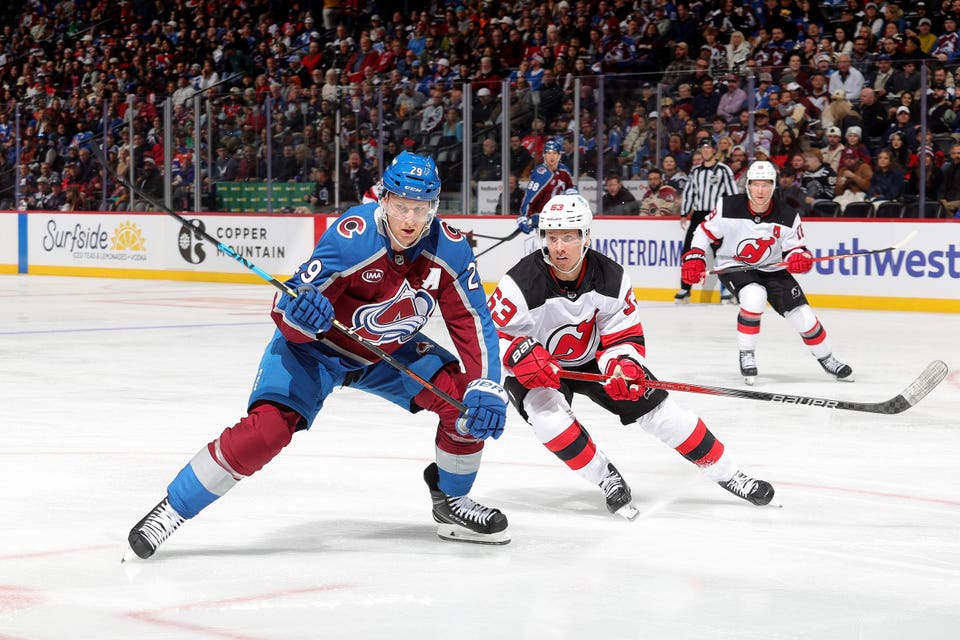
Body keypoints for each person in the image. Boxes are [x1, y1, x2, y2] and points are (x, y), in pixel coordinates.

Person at [124, 153, 511, 560]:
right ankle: (171, 510)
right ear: (384, 199)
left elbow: (473, 320)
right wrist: (302, 313)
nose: (410, 220)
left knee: (466, 400)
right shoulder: (351, 237)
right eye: (401, 206)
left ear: (434, 207)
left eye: (420, 208)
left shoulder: (450, 250)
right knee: (266, 432)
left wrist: (487, 386)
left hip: (383, 353)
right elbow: (287, 308)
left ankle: (451, 502)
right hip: (315, 352)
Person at [488, 194, 775, 519]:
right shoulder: (521, 281)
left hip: (595, 357)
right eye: (552, 238)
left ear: (586, 237)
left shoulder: (611, 276)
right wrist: (516, 353)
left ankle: (729, 472)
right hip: (538, 366)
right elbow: (490, 335)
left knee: (664, 414)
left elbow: (622, 334)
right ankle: (605, 477)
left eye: (568, 237)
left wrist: (622, 363)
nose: (559, 247)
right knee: (548, 420)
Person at [680, 160, 854, 385]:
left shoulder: (788, 215)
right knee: (754, 297)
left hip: (772, 268)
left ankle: (827, 358)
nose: (760, 190)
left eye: (766, 184)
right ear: (748, 186)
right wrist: (695, 255)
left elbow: (795, 250)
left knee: (804, 318)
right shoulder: (728, 206)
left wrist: (799, 258)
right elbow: (703, 233)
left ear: (773, 186)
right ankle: (747, 353)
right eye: (755, 184)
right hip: (735, 265)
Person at [675, 138, 738, 304]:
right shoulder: (695, 171)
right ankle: (685, 287)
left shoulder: (724, 170)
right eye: (702, 147)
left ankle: (728, 289)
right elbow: (689, 193)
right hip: (698, 215)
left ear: (714, 150)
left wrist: (733, 215)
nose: (705, 150)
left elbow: (732, 193)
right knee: (690, 250)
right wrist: (684, 213)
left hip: (717, 215)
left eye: (708, 147)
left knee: (723, 251)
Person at [516, 137, 576, 234]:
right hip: (544, 220)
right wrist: (524, 216)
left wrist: (572, 192)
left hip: (561, 219)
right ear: (544, 155)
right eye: (548, 153)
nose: (551, 156)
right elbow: (530, 197)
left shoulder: (564, 170)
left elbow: (571, 186)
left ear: (560, 155)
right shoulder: (542, 173)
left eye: (554, 153)